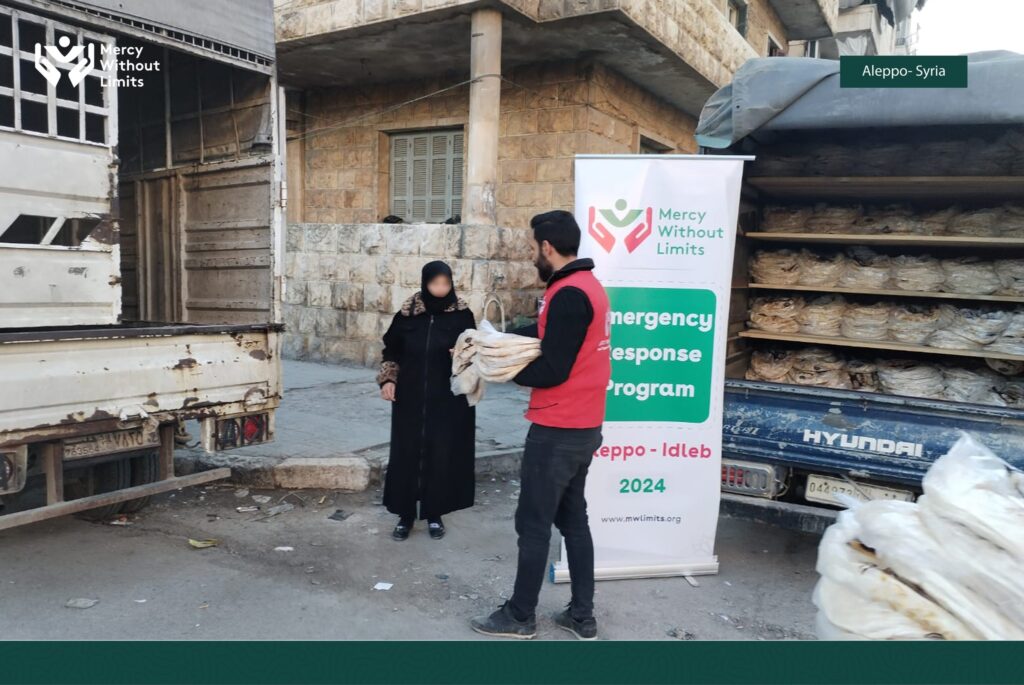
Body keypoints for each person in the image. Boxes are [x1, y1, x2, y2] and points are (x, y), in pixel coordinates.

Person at [471, 210, 611, 641]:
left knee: (533, 524)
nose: (533, 255)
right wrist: (507, 335)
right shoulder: (587, 287)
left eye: (534, 248)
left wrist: (499, 369)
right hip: (584, 426)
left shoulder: (569, 293)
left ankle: (519, 616)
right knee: (573, 520)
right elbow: (552, 336)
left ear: (547, 247)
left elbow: (553, 367)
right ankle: (581, 617)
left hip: (557, 429)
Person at [377, 261, 476, 541]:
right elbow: (391, 350)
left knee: (440, 452)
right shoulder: (408, 314)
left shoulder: (462, 313)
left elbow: (474, 350)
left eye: (445, 283)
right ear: (425, 283)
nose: (440, 289)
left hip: (446, 397)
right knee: (406, 453)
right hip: (409, 396)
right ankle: (404, 515)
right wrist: (388, 380)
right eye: (435, 284)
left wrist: (458, 354)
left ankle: (435, 513)